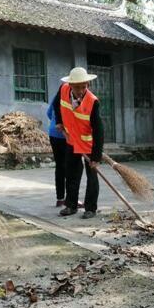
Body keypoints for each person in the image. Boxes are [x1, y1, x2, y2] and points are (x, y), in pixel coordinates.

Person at [54, 67, 104, 219]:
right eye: (77, 87)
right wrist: (59, 122)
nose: (81, 90)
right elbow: (57, 105)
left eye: (84, 86)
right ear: (70, 86)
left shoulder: (93, 102)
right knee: (71, 173)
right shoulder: (63, 90)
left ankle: (90, 208)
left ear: (87, 84)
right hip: (72, 140)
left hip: (88, 143)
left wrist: (96, 157)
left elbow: (99, 131)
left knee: (92, 176)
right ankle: (71, 205)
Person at [46, 98, 67, 207]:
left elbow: (48, 113)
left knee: (60, 166)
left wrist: (55, 122)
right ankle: (70, 199)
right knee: (70, 167)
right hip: (66, 136)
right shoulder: (71, 97)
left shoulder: (56, 97)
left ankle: (60, 199)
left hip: (53, 133)